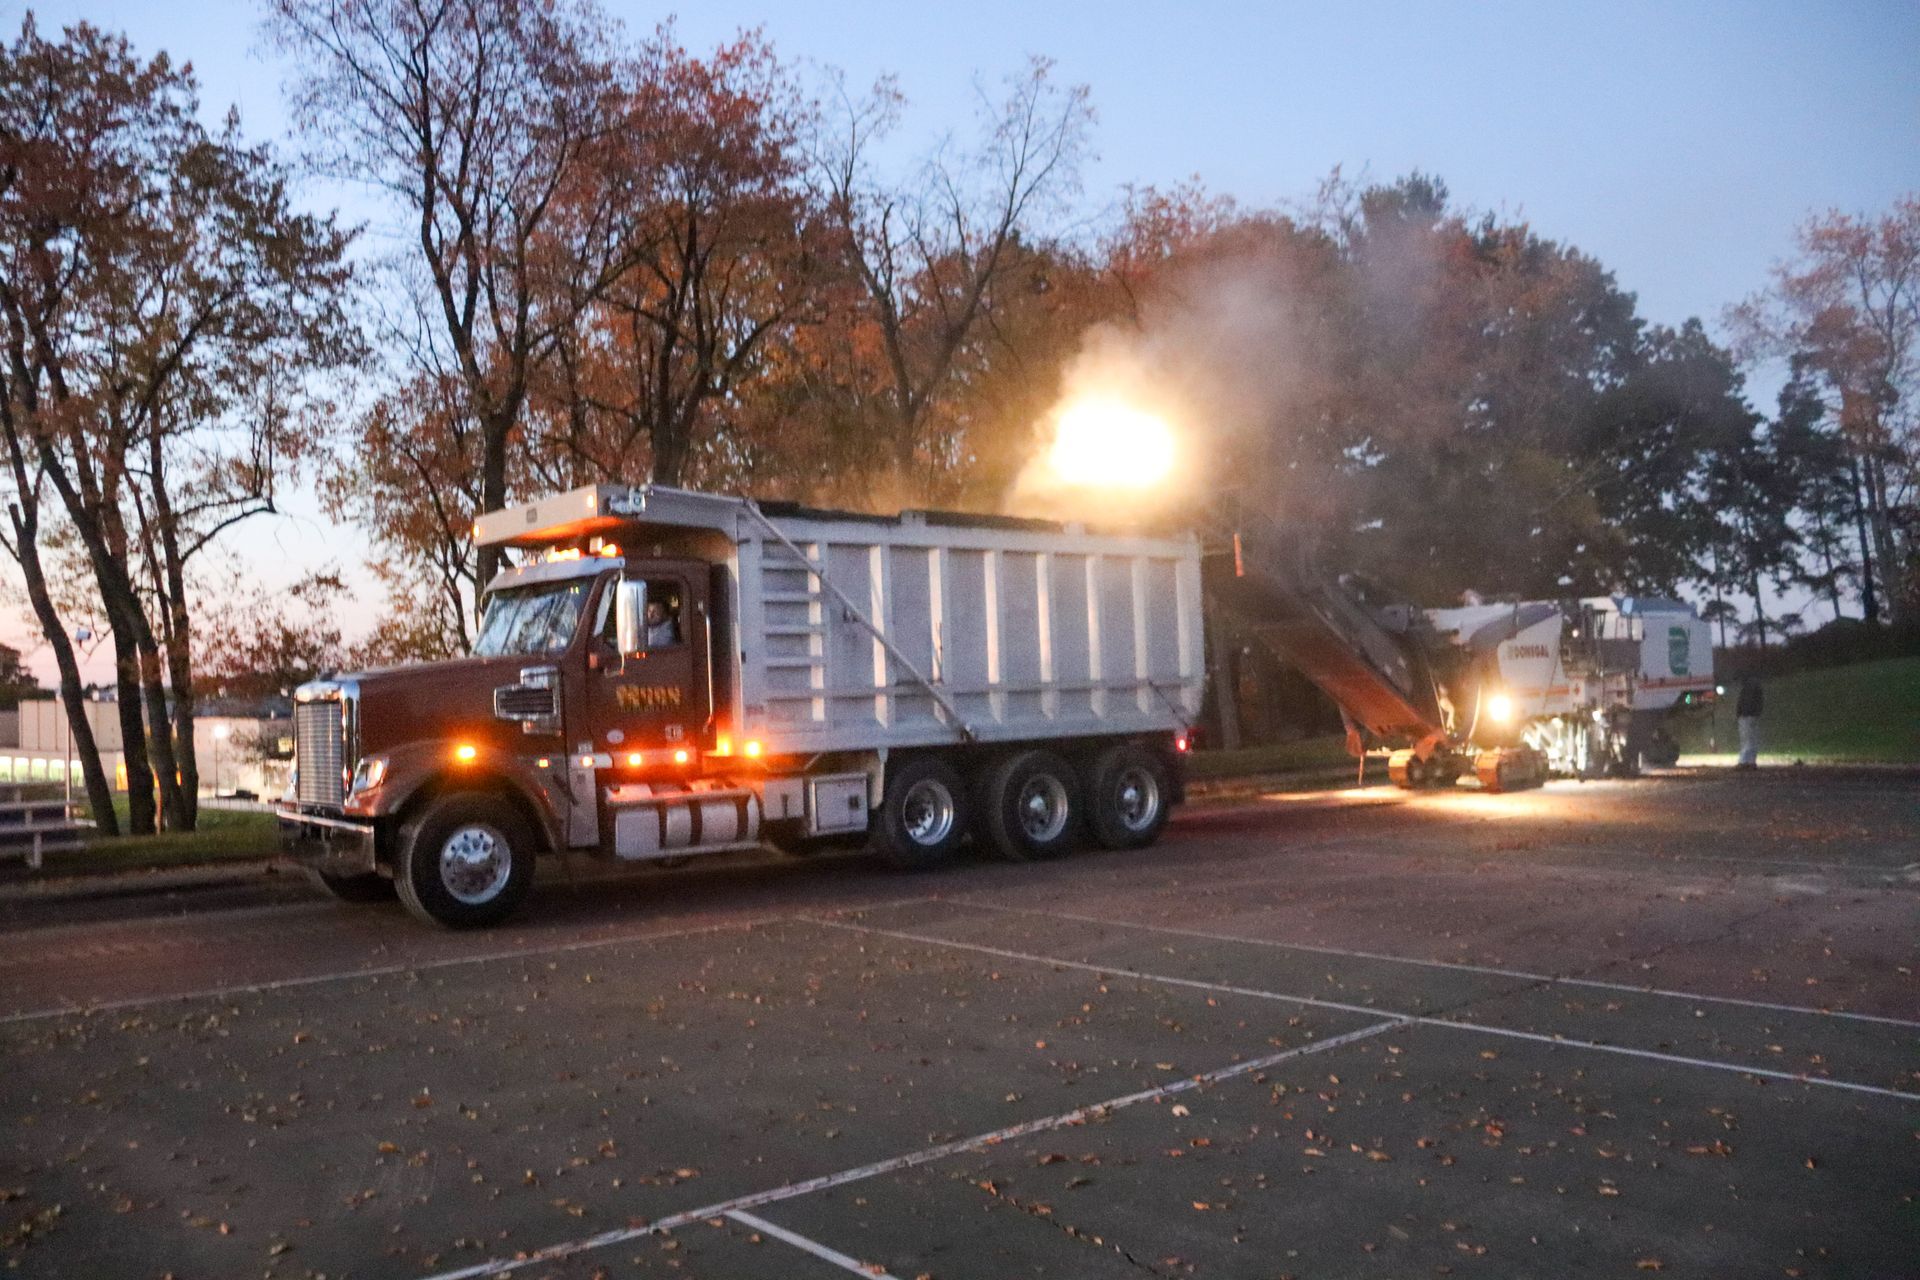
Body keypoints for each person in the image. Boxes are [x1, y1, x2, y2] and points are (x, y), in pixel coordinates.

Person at [1735, 676, 1763, 769]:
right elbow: (1759, 702)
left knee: (1746, 738)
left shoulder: (1746, 689)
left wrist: (1739, 713)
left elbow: (1742, 702)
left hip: (1746, 715)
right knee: (1752, 738)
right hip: (1753, 715)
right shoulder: (1756, 687)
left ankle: (1743, 761)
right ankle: (1751, 761)